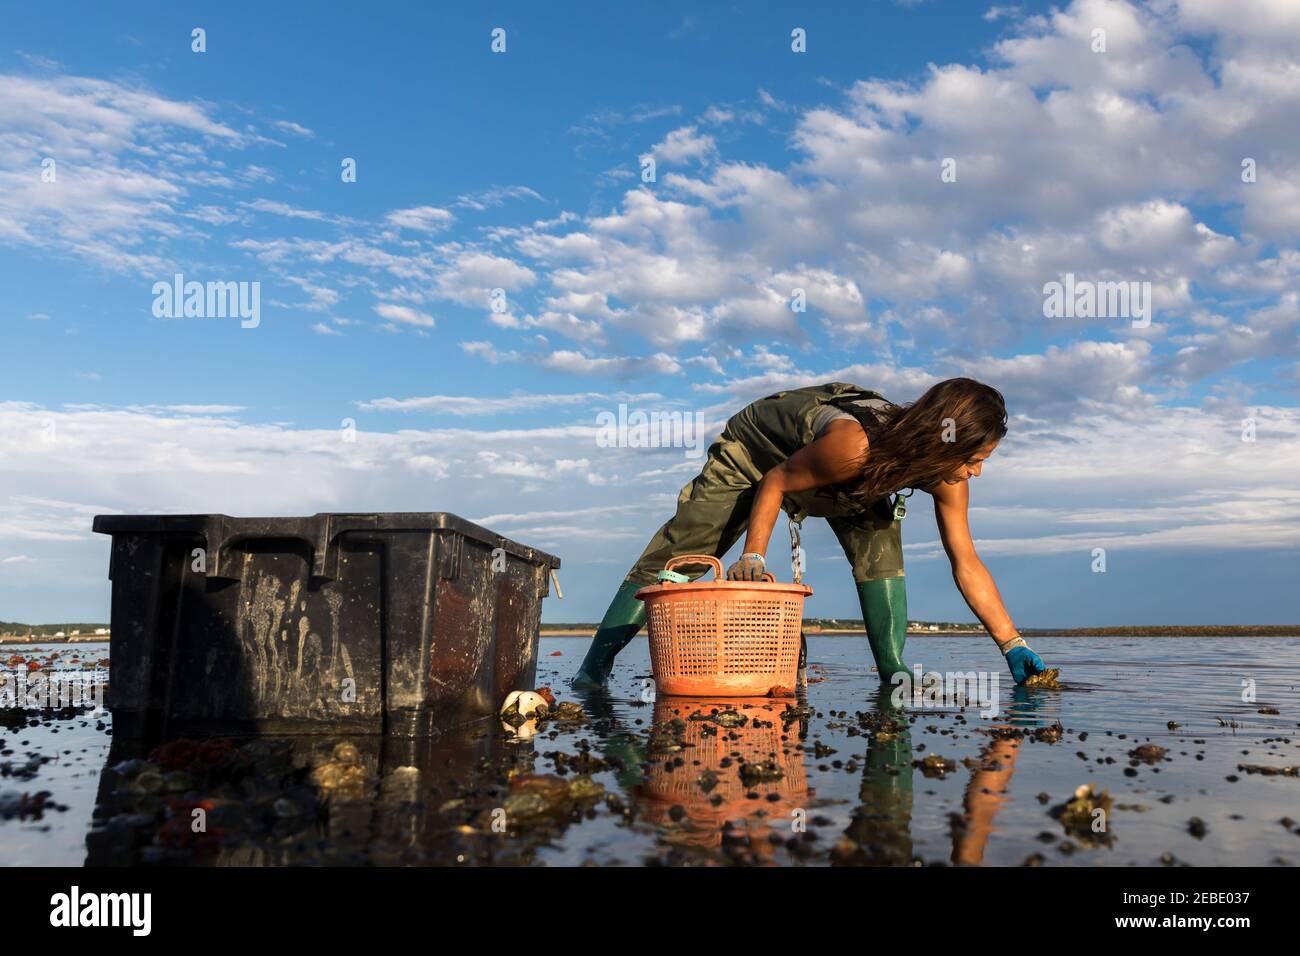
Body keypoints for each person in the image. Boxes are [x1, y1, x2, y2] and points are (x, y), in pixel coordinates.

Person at [571, 379, 1048, 687]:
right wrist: (753, 556)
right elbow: (776, 481)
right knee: (688, 551)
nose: (976, 473)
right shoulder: (852, 446)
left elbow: (965, 562)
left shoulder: (946, 477)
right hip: (759, 454)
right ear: (938, 443)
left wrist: (1013, 643)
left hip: (852, 478)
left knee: (881, 551)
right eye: (973, 460)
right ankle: (592, 670)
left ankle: (893, 673)